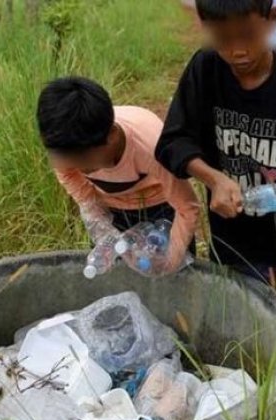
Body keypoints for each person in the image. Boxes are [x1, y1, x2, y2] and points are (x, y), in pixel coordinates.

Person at [156, 0, 276, 296]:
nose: (237, 51)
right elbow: (173, 141)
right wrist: (214, 178)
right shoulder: (205, 70)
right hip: (233, 241)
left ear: (272, 18)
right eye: (223, 39)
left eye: (248, 35)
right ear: (205, 25)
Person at [37, 76, 200, 275]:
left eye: (85, 162)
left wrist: (170, 261)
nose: (81, 170)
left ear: (111, 137)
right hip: (110, 208)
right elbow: (70, 177)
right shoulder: (65, 146)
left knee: (173, 277)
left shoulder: (153, 148)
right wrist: (95, 216)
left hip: (162, 209)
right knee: (114, 273)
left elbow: (187, 208)